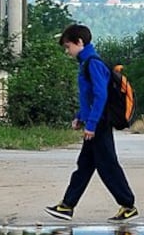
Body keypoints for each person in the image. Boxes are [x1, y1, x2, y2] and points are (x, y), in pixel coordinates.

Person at [45, 24, 139, 222]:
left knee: (107, 165)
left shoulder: (92, 63)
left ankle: (128, 204)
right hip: (94, 122)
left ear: (80, 42)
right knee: (85, 166)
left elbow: (100, 95)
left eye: (68, 46)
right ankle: (67, 205)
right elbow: (88, 98)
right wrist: (81, 117)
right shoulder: (86, 62)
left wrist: (91, 124)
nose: (67, 51)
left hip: (100, 124)